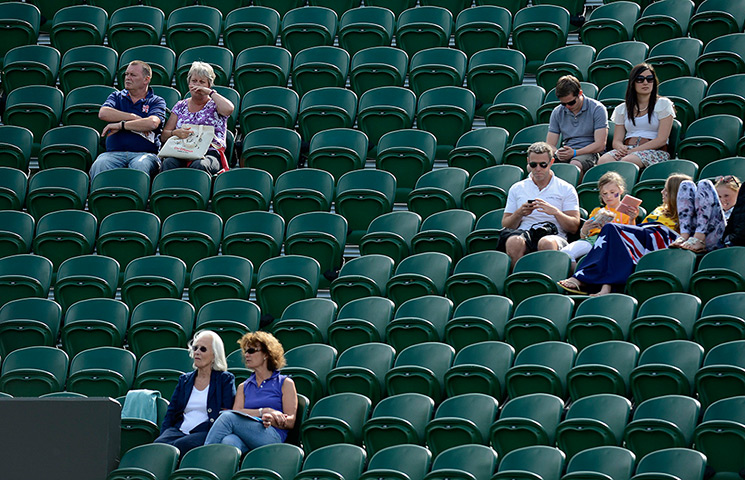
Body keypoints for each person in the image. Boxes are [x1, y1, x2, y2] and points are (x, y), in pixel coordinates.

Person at [558, 173, 691, 296]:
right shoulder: (660, 209)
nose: (662, 192)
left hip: (657, 240)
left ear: (676, 193)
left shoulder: (685, 212)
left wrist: (632, 219)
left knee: (611, 230)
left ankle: (582, 279)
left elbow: (681, 234)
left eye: (666, 190)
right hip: (641, 237)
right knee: (612, 237)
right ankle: (605, 286)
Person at [204, 331, 297, 454]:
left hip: (272, 435)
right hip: (247, 435)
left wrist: (271, 419)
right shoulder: (244, 386)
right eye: (245, 351)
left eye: (251, 351)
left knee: (227, 417)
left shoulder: (285, 383)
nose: (246, 355)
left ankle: (203, 457)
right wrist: (262, 411)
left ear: (266, 354)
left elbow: (290, 422)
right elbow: (237, 412)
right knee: (229, 441)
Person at [154, 330, 236, 455]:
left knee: (181, 445)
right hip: (178, 430)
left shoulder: (225, 379)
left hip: (206, 431)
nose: (197, 352)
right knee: (158, 446)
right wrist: (165, 434)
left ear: (214, 355)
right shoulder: (184, 380)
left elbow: (227, 412)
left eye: (203, 349)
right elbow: (171, 412)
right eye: (195, 348)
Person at [501, 141, 581, 264]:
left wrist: (556, 212)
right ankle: (517, 280)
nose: (538, 169)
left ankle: (547, 281)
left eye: (543, 164)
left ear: (551, 162)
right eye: (534, 164)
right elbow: (506, 224)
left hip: (554, 235)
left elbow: (574, 227)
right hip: (525, 233)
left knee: (546, 243)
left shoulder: (566, 188)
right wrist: (519, 213)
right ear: (528, 162)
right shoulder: (517, 188)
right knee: (513, 241)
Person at [88, 60, 166, 180]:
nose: (127, 78)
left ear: (146, 79)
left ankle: (137, 198)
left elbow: (152, 123)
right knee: (100, 164)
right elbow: (103, 113)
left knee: (140, 164)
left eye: (133, 75)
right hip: (113, 153)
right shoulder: (116, 96)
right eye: (126, 74)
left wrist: (121, 125)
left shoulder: (156, 101)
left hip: (145, 154)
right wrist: (132, 117)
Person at [159, 61, 234, 174]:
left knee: (199, 165)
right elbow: (164, 135)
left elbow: (229, 109)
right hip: (182, 151)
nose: (197, 85)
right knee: (169, 163)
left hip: (209, 153)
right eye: (194, 81)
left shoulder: (215, 104)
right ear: (189, 83)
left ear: (209, 85)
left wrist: (210, 92)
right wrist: (175, 133)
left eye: (202, 82)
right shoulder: (180, 105)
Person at [597, 63, 674, 169]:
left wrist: (634, 151)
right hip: (629, 148)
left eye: (649, 79)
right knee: (603, 160)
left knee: (628, 161)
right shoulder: (622, 109)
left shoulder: (663, 104)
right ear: (633, 83)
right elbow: (617, 140)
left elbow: (662, 139)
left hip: (655, 151)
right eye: (640, 79)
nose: (645, 82)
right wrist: (621, 148)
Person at [561, 171, 635, 262]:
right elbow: (583, 236)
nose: (609, 196)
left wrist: (632, 219)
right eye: (604, 193)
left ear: (620, 190)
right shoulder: (597, 211)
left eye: (612, 192)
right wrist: (585, 229)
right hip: (594, 239)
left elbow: (631, 237)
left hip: (614, 243)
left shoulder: (627, 212)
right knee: (565, 253)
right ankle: (577, 273)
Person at [546, 75, 609, 174]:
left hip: (590, 153)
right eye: (563, 104)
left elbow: (600, 145)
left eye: (571, 103)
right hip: (567, 150)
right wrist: (558, 152)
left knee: (575, 165)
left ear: (580, 93)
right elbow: (550, 145)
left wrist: (574, 153)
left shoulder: (597, 108)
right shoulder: (557, 111)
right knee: (537, 164)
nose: (567, 107)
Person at [670, 175, 741, 252]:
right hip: (696, 236)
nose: (722, 200)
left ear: (738, 193)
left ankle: (699, 237)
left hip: (721, 240)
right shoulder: (713, 207)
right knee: (686, 184)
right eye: (719, 197)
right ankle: (684, 235)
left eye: (726, 196)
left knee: (704, 184)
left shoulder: (740, 210)